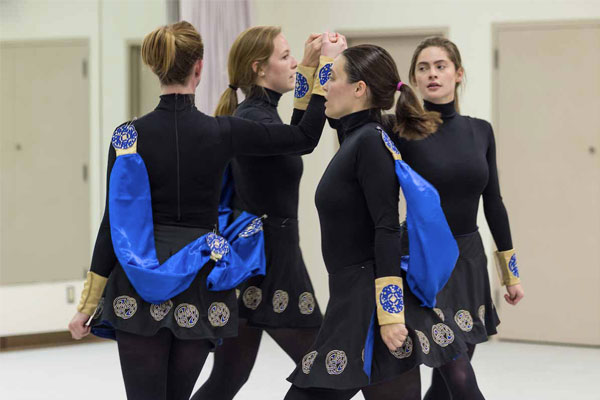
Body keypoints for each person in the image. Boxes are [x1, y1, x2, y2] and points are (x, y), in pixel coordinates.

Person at [67, 21, 345, 400]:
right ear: (199, 68)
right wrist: (323, 67)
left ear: (155, 68)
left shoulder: (126, 136)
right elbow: (304, 137)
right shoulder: (223, 131)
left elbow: (111, 225)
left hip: (136, 280)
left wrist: (87, 304)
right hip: (199, 280)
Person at [284, 44, 466, 400]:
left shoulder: (369, 142)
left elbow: (385, 227)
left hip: (367, 300)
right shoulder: (355, 135)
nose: (326, 87)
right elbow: (301, 132)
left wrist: (391, 314)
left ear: (359, 89)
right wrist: (317, 65)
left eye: (332, 78)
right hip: (351, 297)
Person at [192, 27, 333, 400]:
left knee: (228, 377)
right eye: (285, 57)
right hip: (269, 259)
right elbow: (306, 138)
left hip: (264, 256)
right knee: (324, 368)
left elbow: (298, 127)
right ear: (258, 68)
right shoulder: (254, 119)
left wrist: (308, 66)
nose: (292, 63)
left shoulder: (261, 114)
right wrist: (325, 69)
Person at [403, 36, 525, 400]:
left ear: (458, 74)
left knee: (445, 382)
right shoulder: (402, 130)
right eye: (423, 68)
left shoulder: (480, 131)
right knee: (457, 373)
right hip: (425, 263)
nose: (432, 74)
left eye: (440, 66)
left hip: (469, 260)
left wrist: (510, 273)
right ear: (414, 79)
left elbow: (494, 203)